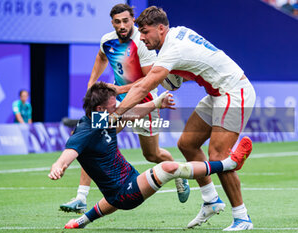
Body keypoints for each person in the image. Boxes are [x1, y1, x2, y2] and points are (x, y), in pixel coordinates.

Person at [111, 6, 256, 231]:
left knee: (218, 154)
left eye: (145, 31)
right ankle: (211, 200)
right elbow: (191, 68)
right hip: (217, 93)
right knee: (187, 144)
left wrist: (116, 114)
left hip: (234, 92)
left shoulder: (171, 50)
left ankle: (242, 218)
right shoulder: (179, 33)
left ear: (161, 28)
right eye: (140, 32)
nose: (141, 37)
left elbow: (143, 87)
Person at [48, 82, 253, 229]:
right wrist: (59, 165)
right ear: (101, 108)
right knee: (168, 168)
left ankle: (81, 221)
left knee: (114, 196)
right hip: (125, 192)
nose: (118, 107)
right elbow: (70, 151)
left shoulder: (101, 117)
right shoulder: (86, 129)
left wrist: (156, 103)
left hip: (122, 188)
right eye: (114, 106)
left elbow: (129, 113)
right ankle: (229, 163)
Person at [60, 3, 189, 213]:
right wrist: (91, 84)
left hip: (144, 102)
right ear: (112, 22)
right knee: (93, 138)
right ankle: (81, 197)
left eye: (126, 20)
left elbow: (149, 80)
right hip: (117, 103)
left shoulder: (142, 43)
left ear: (132, 20)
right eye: (117, 21)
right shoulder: (107, 40)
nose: (122, 25)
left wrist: (119, 88)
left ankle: (178, 173)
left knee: (152, 154)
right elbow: (101, 57)